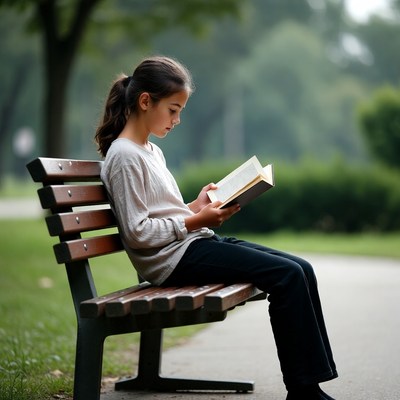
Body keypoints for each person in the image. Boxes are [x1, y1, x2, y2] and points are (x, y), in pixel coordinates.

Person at [95, 55, 338, 400]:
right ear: (145, 101)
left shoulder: (150, 151)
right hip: (171, 261)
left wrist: (197, 206)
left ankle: (311, 382)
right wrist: (196, 220)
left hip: (190, 245)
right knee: (286, 276)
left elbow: (163, 212)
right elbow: (137, 232)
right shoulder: (123, 156)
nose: (177, 120)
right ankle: (303, 390)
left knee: (301, 268)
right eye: (173, 109)